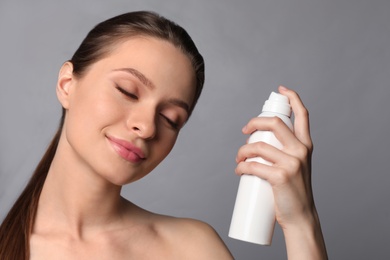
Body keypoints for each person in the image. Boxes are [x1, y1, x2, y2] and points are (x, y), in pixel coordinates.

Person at [0, 11, 327, 259]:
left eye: (171, 119)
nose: (147, 126)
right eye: (128, 91)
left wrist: (300, 222)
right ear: (67, 85)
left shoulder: (192, 249)